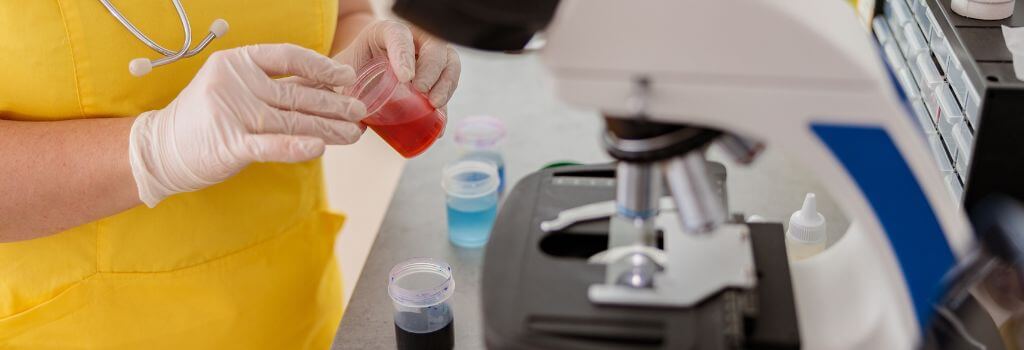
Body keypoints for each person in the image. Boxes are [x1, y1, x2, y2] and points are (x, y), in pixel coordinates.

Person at [0, 0, 460, 348]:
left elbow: (345, 11)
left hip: (293, 309)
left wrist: (363, 54)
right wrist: (156, 149)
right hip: (89, 328)